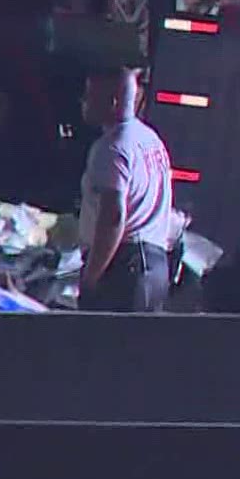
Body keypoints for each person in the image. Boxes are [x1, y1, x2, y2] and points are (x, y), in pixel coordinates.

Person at [76, 65, 175, 313]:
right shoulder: (151, 140)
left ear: (112, 101)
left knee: (107, 350)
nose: (84, 102)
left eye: (90, 95)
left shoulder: (110, 147)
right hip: (156, 268)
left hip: (123, 270)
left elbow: (113, 218)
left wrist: (91, 277)